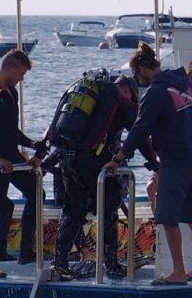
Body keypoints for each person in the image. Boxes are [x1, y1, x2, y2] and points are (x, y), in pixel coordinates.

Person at [114, 44, 192, 285]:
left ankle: (178, 272)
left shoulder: (155, 92)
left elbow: (140, 129)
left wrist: (118, 158)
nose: (138, 81)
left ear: (143, 69)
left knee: (167, 215)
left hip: (176, 159)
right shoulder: (183, 82)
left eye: (137, 76)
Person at [45, 66, 140, 281]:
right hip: (95, 165)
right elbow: (139, 134)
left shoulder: (85, 95)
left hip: (68, 159)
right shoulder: (120, 101)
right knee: (109, 211)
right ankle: (112, 265)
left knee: (74, 209)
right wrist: (154, 162)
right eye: (133, 95)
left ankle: (60, 262)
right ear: (127, 90)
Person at [0, 49, 44, 273]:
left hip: (12, 156)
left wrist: (32, 144)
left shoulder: (11, 92)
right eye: (21, 73)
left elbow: (12, 130)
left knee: (36, 193)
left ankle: (25, 251)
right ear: (9, 68)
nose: (22, 78)